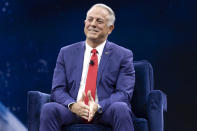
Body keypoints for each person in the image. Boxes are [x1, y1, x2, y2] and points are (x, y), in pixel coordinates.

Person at [39, 3, 135, 131]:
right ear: (85, 23)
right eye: (90, 20)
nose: (93, 24)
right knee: (49, 109)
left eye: (99, 21)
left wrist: (98, 106)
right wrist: (73, 105)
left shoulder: (123, 55)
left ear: (110, 28)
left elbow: (124, 93)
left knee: (121, 108)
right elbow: (57, 90)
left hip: (105, 111)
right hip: (74, 111)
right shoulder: (66, 52)